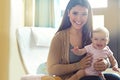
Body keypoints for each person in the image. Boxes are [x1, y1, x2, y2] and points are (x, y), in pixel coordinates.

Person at [47, 0, 120, 80]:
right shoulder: (59, 38)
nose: (79, 18)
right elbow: (51, 69)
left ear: (88, 15)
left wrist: (105, 63)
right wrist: (78, 65)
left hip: (92, 74)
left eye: (84, 14)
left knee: (115, 78)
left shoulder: (92, 36)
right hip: (71, 78)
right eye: (75, 13)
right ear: (68, 13)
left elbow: (104, 54)